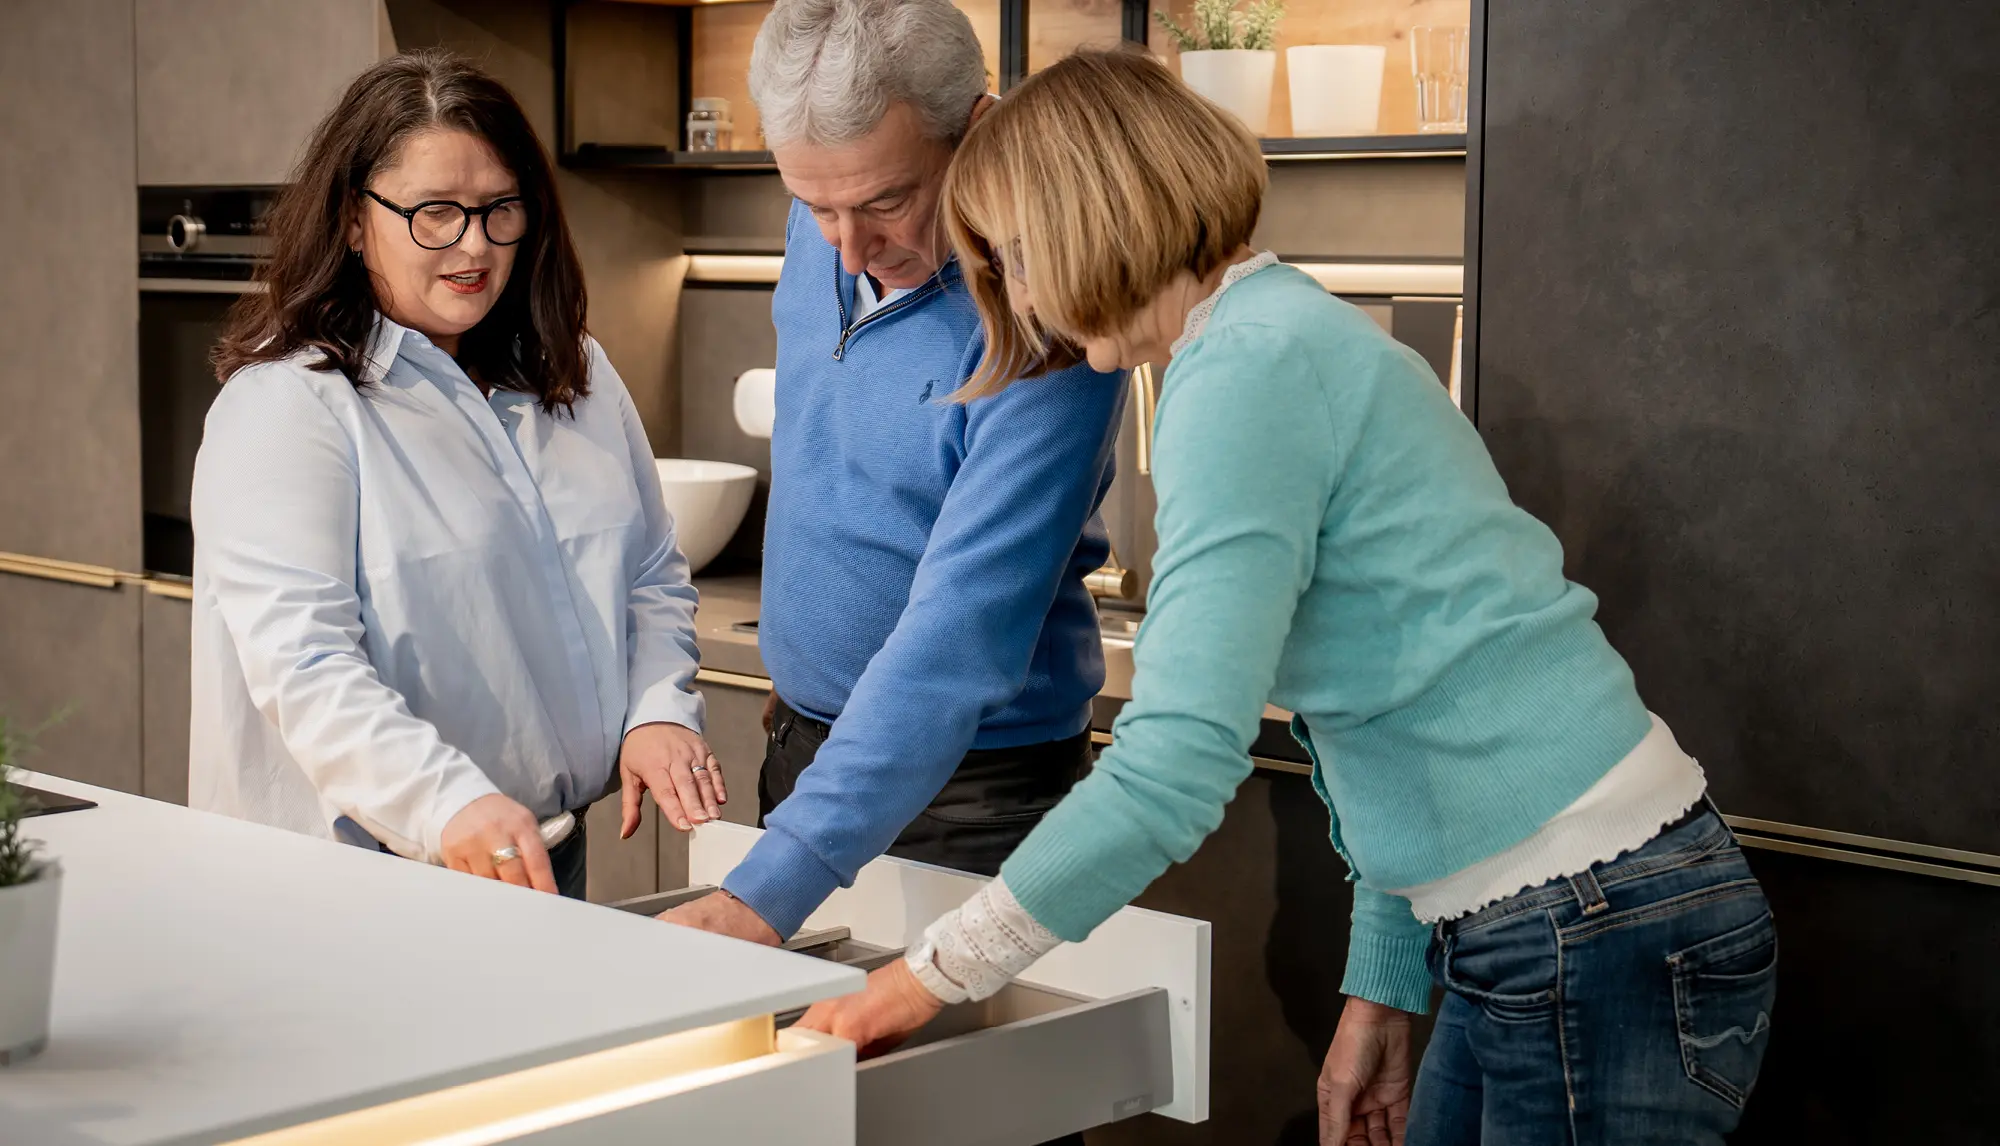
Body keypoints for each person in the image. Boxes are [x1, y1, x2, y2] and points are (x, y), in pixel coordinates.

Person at [798, 50, 1778, 1146]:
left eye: (1014, 260)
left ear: (1088, 222)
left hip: (1586, 921)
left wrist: (925, 979)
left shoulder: (1242, 376)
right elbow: (1392, 696)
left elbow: (1171, 767)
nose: (1017, 302)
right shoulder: (1269, 335)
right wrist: (1384, 979)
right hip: (1561, 915)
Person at [191, 51, 720, 900]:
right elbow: (306, 663)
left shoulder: (576, 373)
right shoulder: (289, 407)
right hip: (357, 879)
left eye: (498, 208)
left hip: (542, 855)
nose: (475, 245)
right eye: (435, 213)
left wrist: (657, 707)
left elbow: (650, 571)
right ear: (355, 221)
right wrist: (450, 801)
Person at [655, 0, 1125, 947]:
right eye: (814, 204)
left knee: (953, 1093)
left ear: (978, 132)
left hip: (978, 798)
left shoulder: (1051, 318)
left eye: (882, 203)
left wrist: (767, 886)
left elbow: (958, 646)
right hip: (806, 760)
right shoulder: (828, 217)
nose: (848, 247)